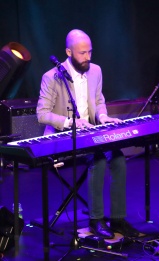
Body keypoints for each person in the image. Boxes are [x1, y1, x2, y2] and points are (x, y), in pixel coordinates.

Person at [37, 29, 140, 239]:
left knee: (119, 158)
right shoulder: (52, 77)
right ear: (68, 52)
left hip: (92, 133)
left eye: (90, 52)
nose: (88, 57)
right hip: (64, 136)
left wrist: (103, 117)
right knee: (99, 160)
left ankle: (118, 219)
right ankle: (96, 219)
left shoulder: (96, 71)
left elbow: (99, 100)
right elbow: (42, 114)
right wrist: (70, 122)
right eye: (82, 53)